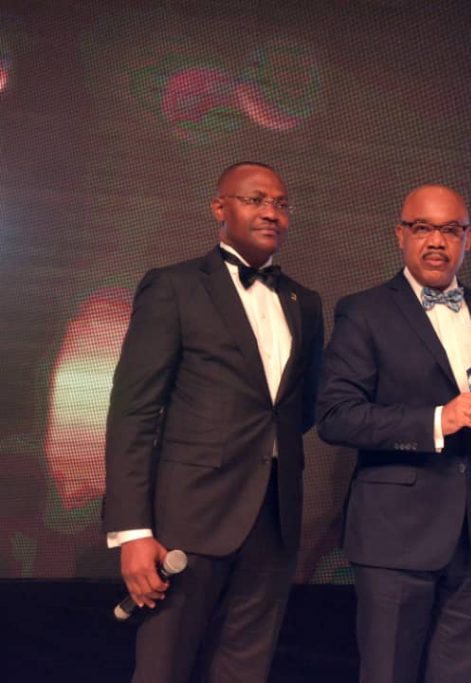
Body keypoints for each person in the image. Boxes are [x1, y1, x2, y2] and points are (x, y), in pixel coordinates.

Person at [102, 161, 324, 682]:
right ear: (219, 208)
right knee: (163, 670)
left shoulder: (304, 302)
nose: (271, 212)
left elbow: (300, 410)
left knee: (244, 671)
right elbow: (133, 411)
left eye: (281, 203)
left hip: (272, 520)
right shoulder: (174, 287)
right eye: (255, 199)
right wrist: (133, 531)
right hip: (186, 522)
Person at [317, 184, 471, 683]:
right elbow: (336, 415)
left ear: (468, 238)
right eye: (423, 228)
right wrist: (439, 419)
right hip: (395, 538)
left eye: (450, 229)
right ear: (401, 235)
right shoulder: (364, 310)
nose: (437, 241)